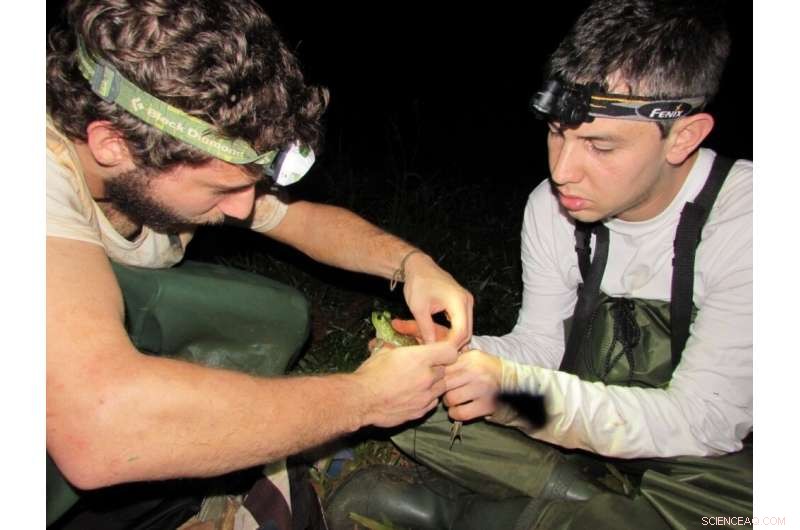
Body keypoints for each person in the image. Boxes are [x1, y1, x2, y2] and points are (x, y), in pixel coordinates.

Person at [325, 1, 752, 529]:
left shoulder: (753, 219)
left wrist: (515, 396)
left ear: (683, 136)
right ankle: (585, 500)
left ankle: (480, 515)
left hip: (715, 473)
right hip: (586, 445)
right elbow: (541, 350)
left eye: (599, 145)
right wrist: (453, 354)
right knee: (407, 401)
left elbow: (704, 422)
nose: (562, 170)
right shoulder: (551, 208)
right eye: (556, 132)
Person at [45, 0, 472, 527]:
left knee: (271, 316)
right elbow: (97, 429)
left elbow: (303, 221)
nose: (245, 209)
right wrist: (365, 398)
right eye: (224, 188)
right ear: (112, 145)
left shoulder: (166, 146)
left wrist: (413, 265)